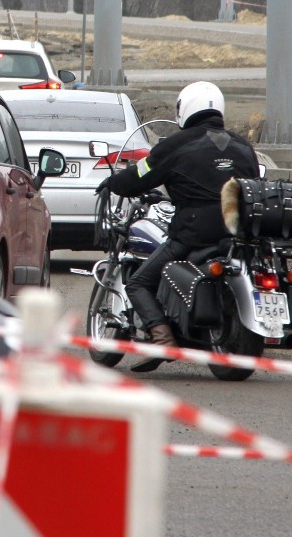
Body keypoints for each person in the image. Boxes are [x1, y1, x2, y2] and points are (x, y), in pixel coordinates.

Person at [101, 81, 260, 372]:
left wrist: (113, 182)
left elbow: (140, 175)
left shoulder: (174, 145)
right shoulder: (243, 146)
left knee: (138, 283)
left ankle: (163, 340)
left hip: (196, 232)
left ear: (184, 109)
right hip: (240, 233)